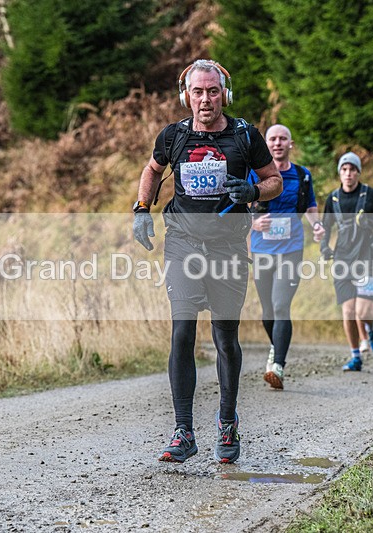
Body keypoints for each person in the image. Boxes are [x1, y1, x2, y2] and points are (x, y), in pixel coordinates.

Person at [132, 59, 282, 464]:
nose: (205, 100)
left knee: (225, 337)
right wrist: (142, 207)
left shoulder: (245, 135)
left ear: (224, 94)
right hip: (183, 240)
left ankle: (227, 421)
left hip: (229, 246)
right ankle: (183, 431)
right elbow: (152, 169)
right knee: (182, 330)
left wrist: (251, 191)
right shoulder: (174, 136)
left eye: (212, 91)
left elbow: (274, 181)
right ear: (187, 95)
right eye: (197, 92)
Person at [249, 124, 324, 389]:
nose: (278, 143)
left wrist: (316, 224)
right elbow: (238, 206)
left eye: (283, 139)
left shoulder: (302, 175)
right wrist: (253, 223)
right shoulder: (253, 174)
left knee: (281, 306)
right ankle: (275, 347)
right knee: (268, 310)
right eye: (273, 139)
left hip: (291, 249)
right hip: (261, 249)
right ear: (266, 144)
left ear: (290, 144)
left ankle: (277, 365)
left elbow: (311, 205)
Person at [320, 152, 373, 371]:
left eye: (352, 169)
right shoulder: (332, 199)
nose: (348, 174)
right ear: (339, 173)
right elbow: (326, 228)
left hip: (367, 259)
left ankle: (371, 327)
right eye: (344, 169)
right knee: (348, 312)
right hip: (342, 260)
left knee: (362, 312)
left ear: (358, 172)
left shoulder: (370, 195)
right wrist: (324, 246)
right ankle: (355, 357)